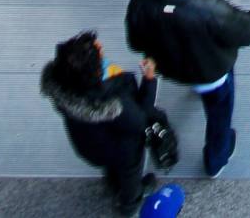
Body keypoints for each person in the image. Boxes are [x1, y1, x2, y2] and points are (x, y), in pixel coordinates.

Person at [126, 0, 250, 182]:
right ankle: (216, 159)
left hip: (172, 69)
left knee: (194, 76)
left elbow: (135, 42)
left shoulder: (140, 3)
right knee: (219, 115)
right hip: (211, 74)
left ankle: (195, 91)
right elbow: (249, 30)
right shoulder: (209, 7)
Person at [41, 31, 166, 213]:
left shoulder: (61, 87)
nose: (100, 46)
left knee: (110, 164)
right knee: (130, 172)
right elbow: (140, 119)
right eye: (96, 50)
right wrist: (149, 79)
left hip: (87, 145)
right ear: (95, 70)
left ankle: (112, 182)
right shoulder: (112, 100)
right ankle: (129, 204)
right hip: (121, 150)